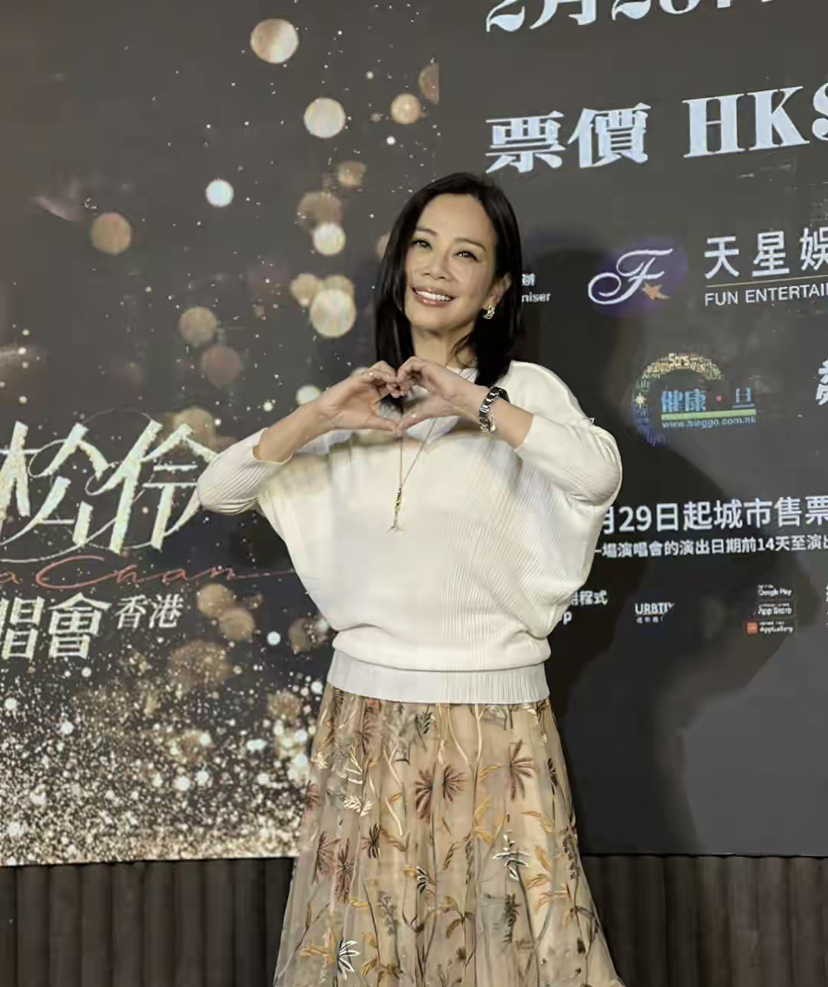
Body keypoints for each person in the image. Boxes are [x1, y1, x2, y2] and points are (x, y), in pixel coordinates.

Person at [197, 173, 624, 987]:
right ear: (400, 267)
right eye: (424, 245)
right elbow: (219, 489)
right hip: (368, 727)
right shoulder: (357, 407)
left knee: (510, 954)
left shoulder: (525, 395)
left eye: (466, 254)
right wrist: (322, 415)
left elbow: (598, 474)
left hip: (497, 727)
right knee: (367, 956)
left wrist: (470, 399)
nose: (436, 267)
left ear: (495, 291)